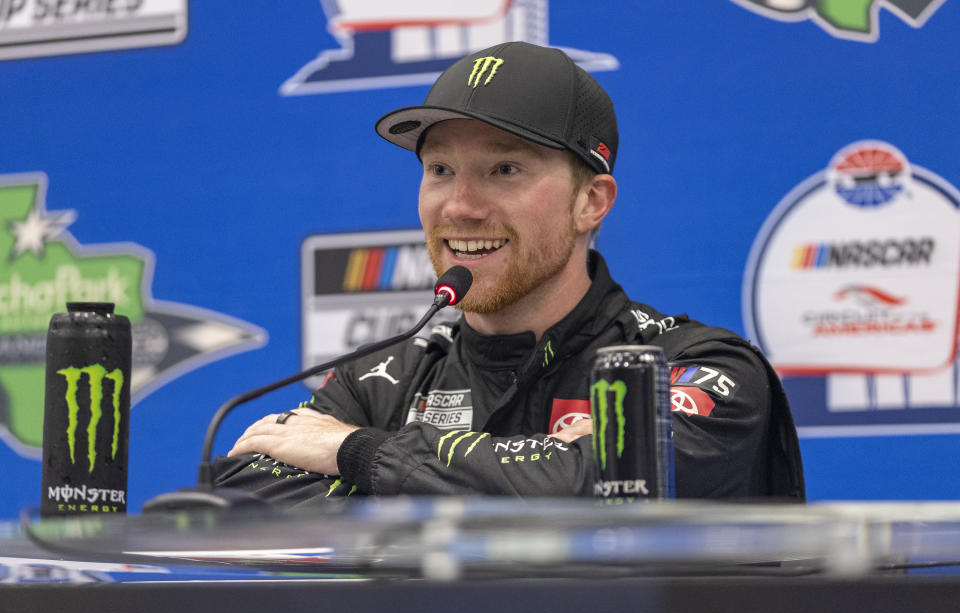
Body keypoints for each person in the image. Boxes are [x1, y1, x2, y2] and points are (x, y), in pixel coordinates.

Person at [215, 41, 805, 504]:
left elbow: (609, 491)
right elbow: (247, 488)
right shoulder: (378, 381)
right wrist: (539, 471)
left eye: (504, 169)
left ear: (591, 202)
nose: (460, 205)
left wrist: (364, 457)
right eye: (441, 168)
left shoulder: (693, 368)